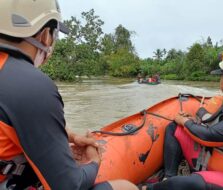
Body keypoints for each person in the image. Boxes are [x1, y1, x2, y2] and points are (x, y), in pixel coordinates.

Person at [0, 1, 138, 190]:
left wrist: (70, 136)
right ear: (44, 35)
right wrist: (93, 161)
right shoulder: (32, 85)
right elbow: (70, 186)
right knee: (125, 187)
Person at [141, 46, 223, 190]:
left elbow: (209, 136)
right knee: (174, 128)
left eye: (221, 75)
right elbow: (222, 126)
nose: (219, 79)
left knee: (189, 183)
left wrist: (185, 121)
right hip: (216, 158)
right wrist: (192, 120)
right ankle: (169, 176)